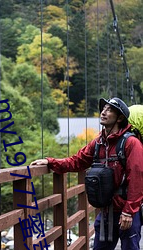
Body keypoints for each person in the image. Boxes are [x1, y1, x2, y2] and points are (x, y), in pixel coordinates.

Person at [30, 97, 143, 250]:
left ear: (120, 118)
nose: (103, 112)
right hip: (106, 211)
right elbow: (77, 161)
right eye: (103, 109)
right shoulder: (98, 143)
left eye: (109, 110)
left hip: (126, 211)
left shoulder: (131, 143)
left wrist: (129, 212)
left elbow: (137, 178)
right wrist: (50, 162)